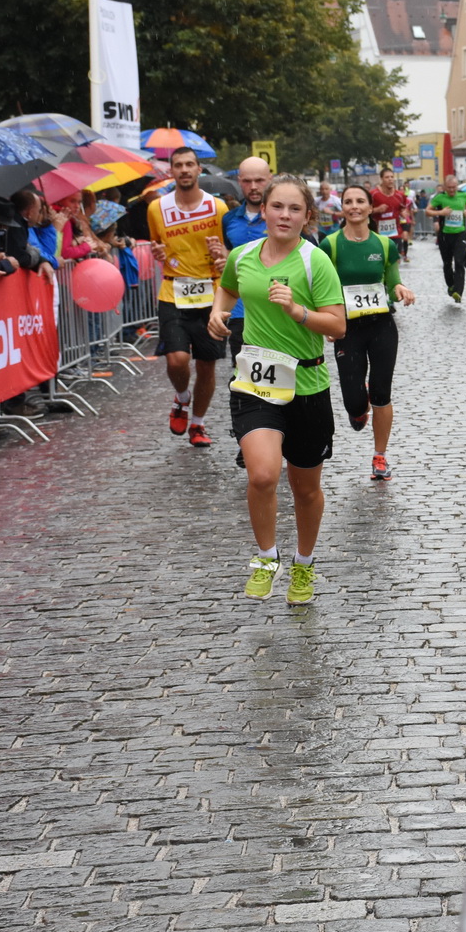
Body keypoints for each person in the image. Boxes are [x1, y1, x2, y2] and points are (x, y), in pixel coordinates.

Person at [207, 175, 347, 603]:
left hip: (306, 382)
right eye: (277, 207)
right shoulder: (243, 255)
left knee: (305, 488)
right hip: (254, 381)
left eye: (294, 209)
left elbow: (338, 325)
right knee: (263, 474)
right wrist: (218, 312)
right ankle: (266, 558)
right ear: (263, 209)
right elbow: (228, 288)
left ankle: (303, 565)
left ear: (307, 216)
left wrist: (298, 310)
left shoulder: (314, 261)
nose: (284, 215)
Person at [322, 185, 417, 480]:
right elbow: (321, 286)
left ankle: (380, 456)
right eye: (348, 201)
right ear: (343, 207)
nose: (354, 206)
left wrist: (399, 288)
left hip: (380, 324)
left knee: (381, 392)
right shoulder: (330, 245)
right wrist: (327, 318)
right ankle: (357, 405)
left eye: (360, 201)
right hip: (347, 327)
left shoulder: (384, 245)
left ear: (369, 207)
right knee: (353, 401)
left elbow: (391, 280)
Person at [147, 146, 229, 448]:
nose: (184, 170)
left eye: (189, 164)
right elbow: (158, 244)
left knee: (207, 366)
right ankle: (181, 397)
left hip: (211, 292)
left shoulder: (218, 208)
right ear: (171, 171)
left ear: (198, 170)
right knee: (177, 358)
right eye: (178, 165)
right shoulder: (157, 208)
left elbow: (226, 249)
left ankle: (197, 423)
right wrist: (157, 252)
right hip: (173, 291)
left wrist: (221, 256)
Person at [221, 156, 273, 355]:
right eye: (247, 181)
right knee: (244, 377)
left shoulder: (283, 217)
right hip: (241, 311)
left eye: (259, 181)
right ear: (239, 181)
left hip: (277, 310)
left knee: (285, 379)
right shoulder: (229, 219)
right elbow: (229, 257)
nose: (253, 187)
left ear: (270, 179)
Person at [425, 173, 466, 302]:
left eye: (454, 187)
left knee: (459, 262)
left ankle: (458, 291)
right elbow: (427, 211)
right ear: (445, 187)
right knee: (447, 263)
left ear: (457, 186)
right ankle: (451, 286)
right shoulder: (439, 198)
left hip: (460, 233)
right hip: (445, 235)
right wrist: (441, 212)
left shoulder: (463, 195)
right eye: (449, 187)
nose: (452, 190)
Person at [371, 168, 412, 263]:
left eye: (392, 177)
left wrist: (403, 212)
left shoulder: (400, 195)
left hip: (395, 233)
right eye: (387, 177)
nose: (390, 179)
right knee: (380, 261)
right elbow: (365, 211)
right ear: (381, 179)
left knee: (395, 261)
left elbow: (403, 208)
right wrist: (377, 210)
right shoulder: (373, 194)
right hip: (378, 234)